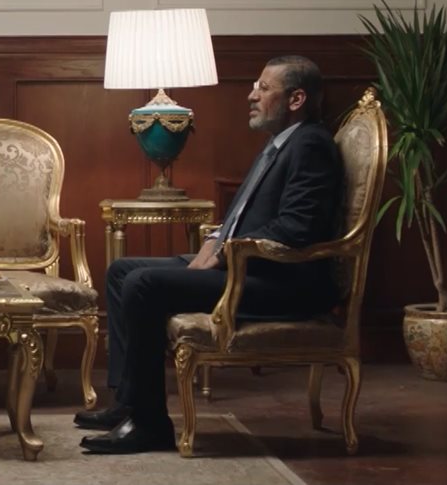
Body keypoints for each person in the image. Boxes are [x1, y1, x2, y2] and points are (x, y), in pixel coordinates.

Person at [77, 55, 345, 454]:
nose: (251, 96)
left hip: (280, 282)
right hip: (246, 267)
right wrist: (214, 239)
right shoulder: (281, 142)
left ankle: (150, 425)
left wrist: (222, 254)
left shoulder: (310, 145)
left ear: (296, 99)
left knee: (143, 284)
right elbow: (246, 215)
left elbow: (297, 228)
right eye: (254, 86)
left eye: (263, 88)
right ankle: (129, 403)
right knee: (121, 271)